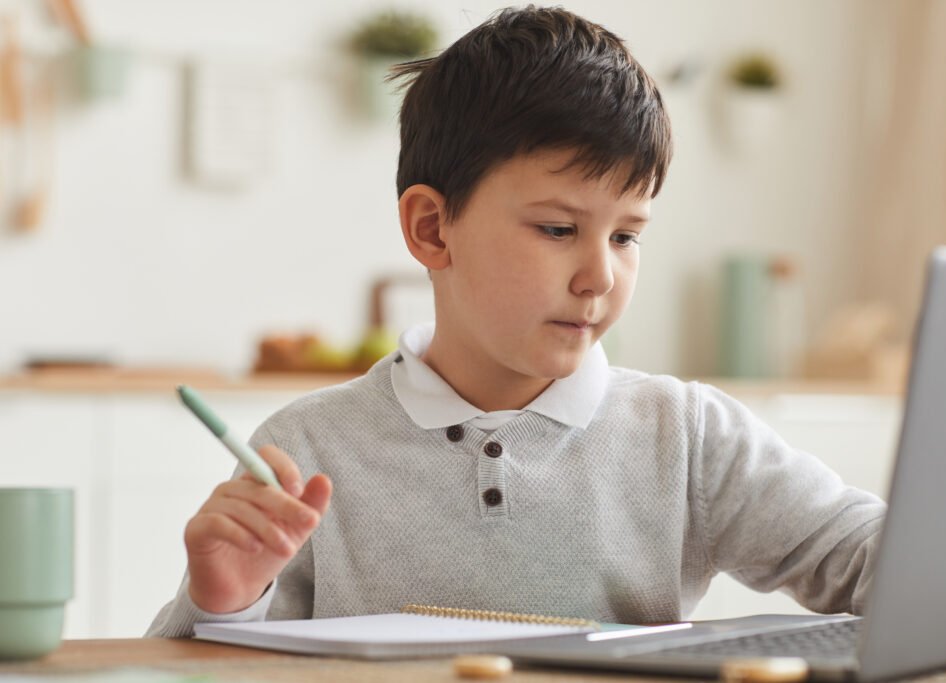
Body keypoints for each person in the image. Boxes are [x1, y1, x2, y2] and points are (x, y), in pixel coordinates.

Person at [147, 5, 884, 637]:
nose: (600, 275)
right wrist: (228, 605)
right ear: (433, 229)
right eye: (559, 229)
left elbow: (874, 556)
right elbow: (184, 666)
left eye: (626, 236)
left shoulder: (688, 437)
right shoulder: (306, 451)